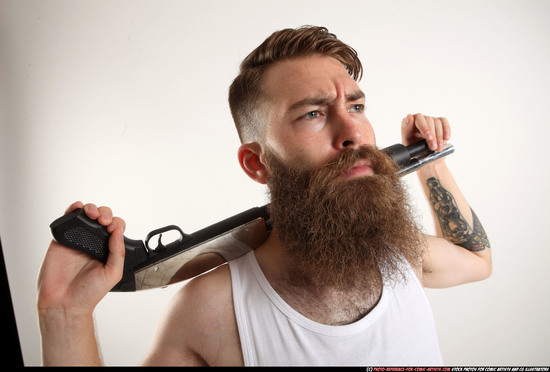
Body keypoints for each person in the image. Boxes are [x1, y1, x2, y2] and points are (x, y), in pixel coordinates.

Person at [37, 26, 491, 366]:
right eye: (313, 113)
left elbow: (476, 259)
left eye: (356, 106)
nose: (354, 131)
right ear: (258, 164)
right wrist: (66, 316)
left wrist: (430, 160)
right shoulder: (212, 310)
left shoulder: (398, 252)